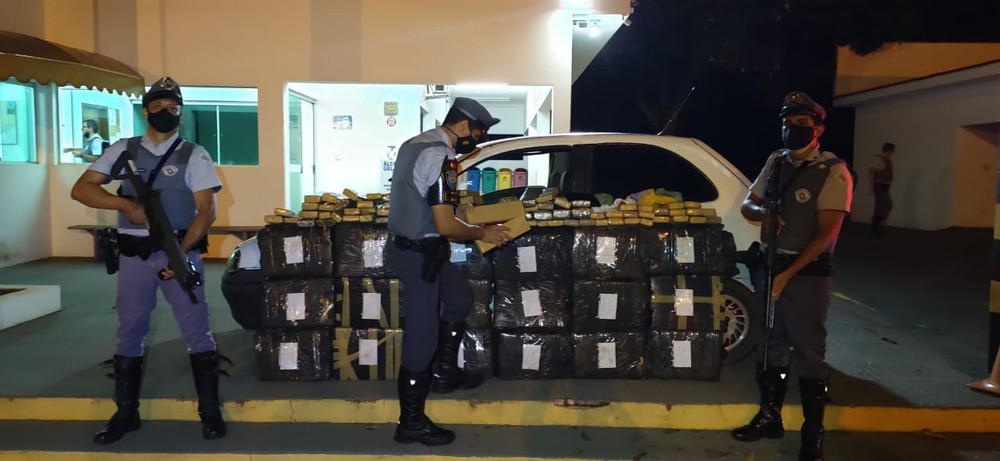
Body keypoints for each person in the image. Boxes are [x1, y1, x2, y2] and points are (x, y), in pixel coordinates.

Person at [70, 77, 227, 444]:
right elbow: (82, 189)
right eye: (158, 106)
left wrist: (182, 253)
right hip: (133, 255)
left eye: (173, 108)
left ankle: (210, 411)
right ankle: (126, 413)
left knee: (196, 329)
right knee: (130, 328)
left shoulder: (194, 155)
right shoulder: (123, 150)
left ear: (181, 115)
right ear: (146, 111)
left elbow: (206, 212)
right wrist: (125, 205)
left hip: (179, 251)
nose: (165, 113)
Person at [731, 91, 853, 461]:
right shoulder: (776, 161)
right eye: (787, 123)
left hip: (806, 276)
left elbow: (826, 235)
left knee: (809, 353)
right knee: (771, 346)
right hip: (770, 267)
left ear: (818, 128)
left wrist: (788, 276)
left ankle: (812, 437)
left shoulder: (833, 171)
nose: (792, 130)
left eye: (801, 123)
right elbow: (748, 204)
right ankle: (770, 417)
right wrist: (767, 210)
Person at [387, 97, 511, 446]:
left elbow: (430, 203)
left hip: (419, 247)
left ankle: (444, 372)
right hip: (418, 254)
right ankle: (410, 422)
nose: (479, 137)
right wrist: (483, 232)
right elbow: (444, 225)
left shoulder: (415, 143)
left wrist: (464, 216)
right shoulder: (441, 156)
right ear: (463, 126)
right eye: (479, 131)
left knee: (458, 297)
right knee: (422, 334)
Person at [869, 142, 895, 235]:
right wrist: (871, 186)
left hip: (884, 187)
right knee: (882, 206)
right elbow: (872, 172)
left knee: (884, 206)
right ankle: (876, 227)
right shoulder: (879, 159)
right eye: (892, 151)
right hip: (880, 186)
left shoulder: (886, 160)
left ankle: (877, 225)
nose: (893, 153)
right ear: (889, 151)